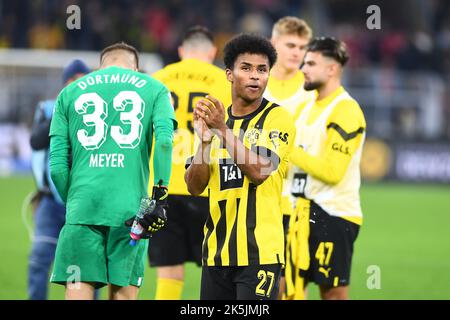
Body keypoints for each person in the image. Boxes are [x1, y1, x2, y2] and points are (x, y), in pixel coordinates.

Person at [49, 42, 176, 300]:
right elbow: (164, 142)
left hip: (83, 207)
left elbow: (57, 167)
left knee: (77, 291)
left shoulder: (69, 93)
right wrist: (159, 197)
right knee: (123, 296)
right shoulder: (155, 89)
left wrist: (74, 201)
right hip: (132, 211)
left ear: (101, 66)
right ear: (136, 68)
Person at [185, 34, 296, 300]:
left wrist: (222, 131)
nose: (255, 76)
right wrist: (203, 143)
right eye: (246, 68)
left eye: (262, 69)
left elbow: (260, 172)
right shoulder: (214, 121)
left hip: (260, 254)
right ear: (229, 74)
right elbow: (194, 186)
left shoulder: (278, 118)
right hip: (215, 253)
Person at [148, 26, 231, 300]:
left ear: (182, 51)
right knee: (218, 268)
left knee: (169, 272)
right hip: (206, 183)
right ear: (213, 51)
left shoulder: (157, 79)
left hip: (164, 185)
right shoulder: (224, 81)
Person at [284, 37, 366, 300]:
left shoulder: (346, 110)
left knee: (332, 295)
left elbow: (332, 172)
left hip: (333, 215)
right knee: (284, 290)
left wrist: (286, 150)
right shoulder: (304, 107)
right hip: (298, 214)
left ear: (332, 69)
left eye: (310, 63)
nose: (303, 69)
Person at [28, 59, 90, 300]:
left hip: (83, 203)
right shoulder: (49, 108)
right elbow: (36, 141)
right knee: (39, 258)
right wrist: (62, 110)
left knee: (87, 267)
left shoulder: (96, 113)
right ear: (66, 84)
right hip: (52, 203)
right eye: (73, 81)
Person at [263, 16, 315, 299]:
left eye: (303, 47)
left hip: (297, 201)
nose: (297, 52)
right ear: (274, 44)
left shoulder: (312, 91)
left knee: (293, 284)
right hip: (260, 196)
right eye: (291, 45)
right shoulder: (258, 84)